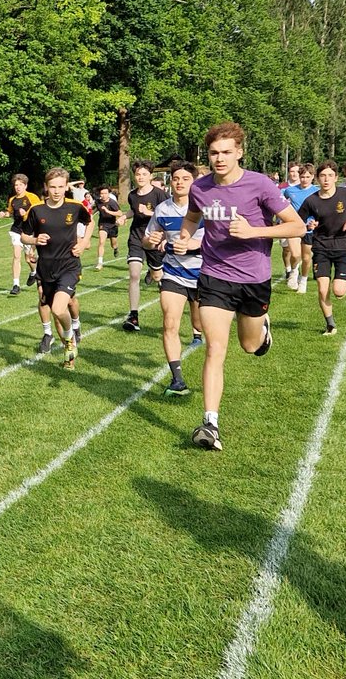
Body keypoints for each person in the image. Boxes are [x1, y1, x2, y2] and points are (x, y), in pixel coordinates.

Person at [179, 122, 305, 451]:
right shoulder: (200, 188)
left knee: (249, 347)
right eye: (213, 153)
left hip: (253, 279)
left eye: (225, 153)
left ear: (239, 152)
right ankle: (210, 423)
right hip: (214, 276)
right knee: (214, 348)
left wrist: (253, 232)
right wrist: (184, 235)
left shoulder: (260, 185)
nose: (219, 159)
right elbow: (193, 217)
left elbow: (297, 226)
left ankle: (262, 330)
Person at [21, 168, 93, 370]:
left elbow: (90, 222)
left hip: (69, 265)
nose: (56, 191)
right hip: (46, 268)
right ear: (46, 187)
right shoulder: (36, 211)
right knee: (56, 316)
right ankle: (69, 357)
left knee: (59, 308)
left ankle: (71, 338)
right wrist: (35, 240)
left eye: (61, 187)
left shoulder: (75, 207)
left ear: (66, 186)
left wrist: (84, 242)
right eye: (53, 187)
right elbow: (24, 236)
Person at [143, 161, 205, 396]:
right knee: (170, 323)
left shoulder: (206, 209)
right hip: (173, 273)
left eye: (185, 179)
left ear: (195, 182)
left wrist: (194, 244)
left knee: (201, 325)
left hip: (203, 273)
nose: (179, 183)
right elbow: (147, 239)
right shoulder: (163, 209)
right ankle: (177, 380)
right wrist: (151, 240)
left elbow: (219, 241)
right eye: (175, 178)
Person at [298, 162, 346, 336]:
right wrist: (309, 224)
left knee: (338, 291)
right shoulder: (311, 200)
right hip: (321, 246)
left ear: (336, 178)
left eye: (330, 175)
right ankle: (330, 325)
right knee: (322, 288)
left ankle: (344, 282)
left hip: (344, 244)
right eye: (323, 176)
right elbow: (299, 220)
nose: (326, 179)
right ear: (318, 178)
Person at [116, 160, 168, 331]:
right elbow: (133, 209)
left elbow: (168, 215)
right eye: (138, 174)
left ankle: (169, 312)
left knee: (158, 277)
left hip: (154, 239)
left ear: (150, 176)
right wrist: (125, 216)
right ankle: (133, 316)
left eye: (144, 174)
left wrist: (150, 213)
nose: (140, 177)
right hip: (136, 238)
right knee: (134, 275)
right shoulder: (132, 195)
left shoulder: (159, 194)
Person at [0, 174, 41, 295]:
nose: (18, 187)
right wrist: (4, 214)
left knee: (29, 258)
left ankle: (34, 272)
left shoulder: (32, 197)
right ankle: (16, 285)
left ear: (25, 185)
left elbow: (39, 213)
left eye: (20, 185)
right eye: (16, 185)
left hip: (30, 231)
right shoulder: (12, 200)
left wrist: (26, 214)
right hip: (16, 230)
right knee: (16, 256)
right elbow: (10, 212)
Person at [282, 163, 317, 291]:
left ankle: (303, 281)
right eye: (302, 176)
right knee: (295, 254)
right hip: (294, 227)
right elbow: (279, 202)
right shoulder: (289, 190)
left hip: (309, 229)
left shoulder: (316, 191)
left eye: (307, 177)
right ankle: (294, 271)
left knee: (307, 257)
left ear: (312, 177)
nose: (304, 179)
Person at [279, 162, 302, 282]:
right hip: (284, 222)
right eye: (292, 171)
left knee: (299, 249)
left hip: (300, 222)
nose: (294, 174)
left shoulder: (303, 185)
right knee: (286, 248)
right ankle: (288, 269)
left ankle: (296, 270)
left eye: (297, 171)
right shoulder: (282, 187)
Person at [94, 185, 120, 269]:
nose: (103, 195)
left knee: (114, 244)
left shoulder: (112, 202)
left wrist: (108, 211)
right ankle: (100, 263)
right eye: (102, 193)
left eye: (105, 193)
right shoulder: (98, 202)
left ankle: (115, 249)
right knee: (101, 242)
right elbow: (94, 209)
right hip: (103, 224)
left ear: (109, 194)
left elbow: (119, 213)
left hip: (112, 225)